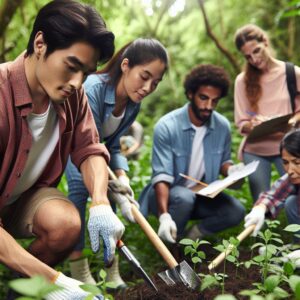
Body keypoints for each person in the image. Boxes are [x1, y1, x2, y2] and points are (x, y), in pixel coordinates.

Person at [0, 1, 124, 299]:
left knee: (66, 224)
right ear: (40, 43)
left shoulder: (73, 96)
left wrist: (100, 202)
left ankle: (18, 291)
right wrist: (54, 279)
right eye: (71, 66)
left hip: (21, 197)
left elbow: (90, 148)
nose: (77, 82)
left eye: (86, 72)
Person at [65, 38, 168, 286]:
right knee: (80, 197)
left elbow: (113, 144)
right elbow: (88, 144)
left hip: (98, 152)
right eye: (144, 76)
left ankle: (112, 272)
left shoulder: (133, 104)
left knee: (109, 204)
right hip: (73, 149)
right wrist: (111, 193)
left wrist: (122, 178)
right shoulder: (92, 89)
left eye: (155, 82)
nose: (147, 87)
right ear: (125, 65)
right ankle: (79, 271)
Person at [139, 64, 245, 245]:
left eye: (215, 101)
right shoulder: (167, 126)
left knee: (236, 210)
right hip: (169, 196)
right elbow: (161, 177)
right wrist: (164, 216)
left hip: (201, 194)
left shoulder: (222, 126)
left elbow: (223, 162)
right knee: (184, 197)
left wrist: (233, 170)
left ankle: (193, 236)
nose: (209, 106)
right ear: (190, 94)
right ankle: (171, 245)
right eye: (203, 98)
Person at [234, 24, 300, 202]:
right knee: (261, 200)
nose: (254, 59)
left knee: (294, 196)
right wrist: (254, 124)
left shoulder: (292, 73)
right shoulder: (242, 81)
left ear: (265, 42)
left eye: (256, 51)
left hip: (287, 147)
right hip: (256, 149)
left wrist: (292, 121)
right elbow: (241, 123)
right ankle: (261, 229)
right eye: (248, 56)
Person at [244, 129, 300, 263]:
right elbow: (274, 195)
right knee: (292, 202)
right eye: (286, 163)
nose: (290, 170)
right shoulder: (294, 176)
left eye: (297, 162)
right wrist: (260, 209)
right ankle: (297, 246)